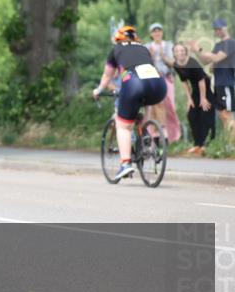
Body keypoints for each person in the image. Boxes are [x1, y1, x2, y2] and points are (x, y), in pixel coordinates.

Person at [92, 25, 167, 181]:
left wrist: (98, 90)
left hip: (134, 82)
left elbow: (107, 77)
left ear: (118, 39)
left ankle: (125, 164)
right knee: (146, 103)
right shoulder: (144, 48)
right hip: (159, 84)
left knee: (123, 126)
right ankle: (148, 141)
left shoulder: (116, 49)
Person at [190, 17, 234, 140]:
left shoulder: (230, 43)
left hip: (227, 83)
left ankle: (232, 145)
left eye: (220, 28)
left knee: (227, 115)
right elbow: (205, 62)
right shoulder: (218, 45)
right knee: (223, 116)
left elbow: (215, 58)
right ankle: (229, 144)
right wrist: (197, 52)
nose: (218, 30)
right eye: (216, 29)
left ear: (226, 27)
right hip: (218, 84)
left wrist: (200, 50)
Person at [173, 43, 214, 156]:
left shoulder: (192, 63)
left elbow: (201, 80)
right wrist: (189, 99)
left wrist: (203, 98)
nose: (180, 53)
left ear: (185, 52)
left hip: (206, 87)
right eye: (177, 51)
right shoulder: (176, 65)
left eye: (182, 50)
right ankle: (197, 144)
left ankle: (206, 144)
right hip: (195, 89)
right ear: (174, 53)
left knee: (205, 113)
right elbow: (184, 81)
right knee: (192, 115)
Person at [145, 23, 181, 142]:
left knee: (169, 106)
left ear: (162, 32)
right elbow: (143, 65)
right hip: (152, 78)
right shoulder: (147, 47)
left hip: (166, 78)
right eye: (154, 31)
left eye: (159, 31)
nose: (157, 33)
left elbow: (174, 63)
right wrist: (149, 57)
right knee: (153, 106)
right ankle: (154, 135)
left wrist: (163, 56)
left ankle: (171, 136)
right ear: (151, 34)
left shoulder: (168, 45)